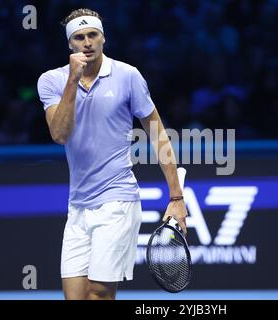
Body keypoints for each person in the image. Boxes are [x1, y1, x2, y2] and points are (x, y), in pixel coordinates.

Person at [37, 8, 187, 300]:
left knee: (98, 295)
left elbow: (158, 135)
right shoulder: (51, 81)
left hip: (117, 203)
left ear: (103, 38)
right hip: (78, 207)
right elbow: (60, 134)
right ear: (70, 44)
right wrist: (72, 81)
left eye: (93, 35)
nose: (87, 43)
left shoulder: (128, 76)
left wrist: (177, 198)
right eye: (79, 37)